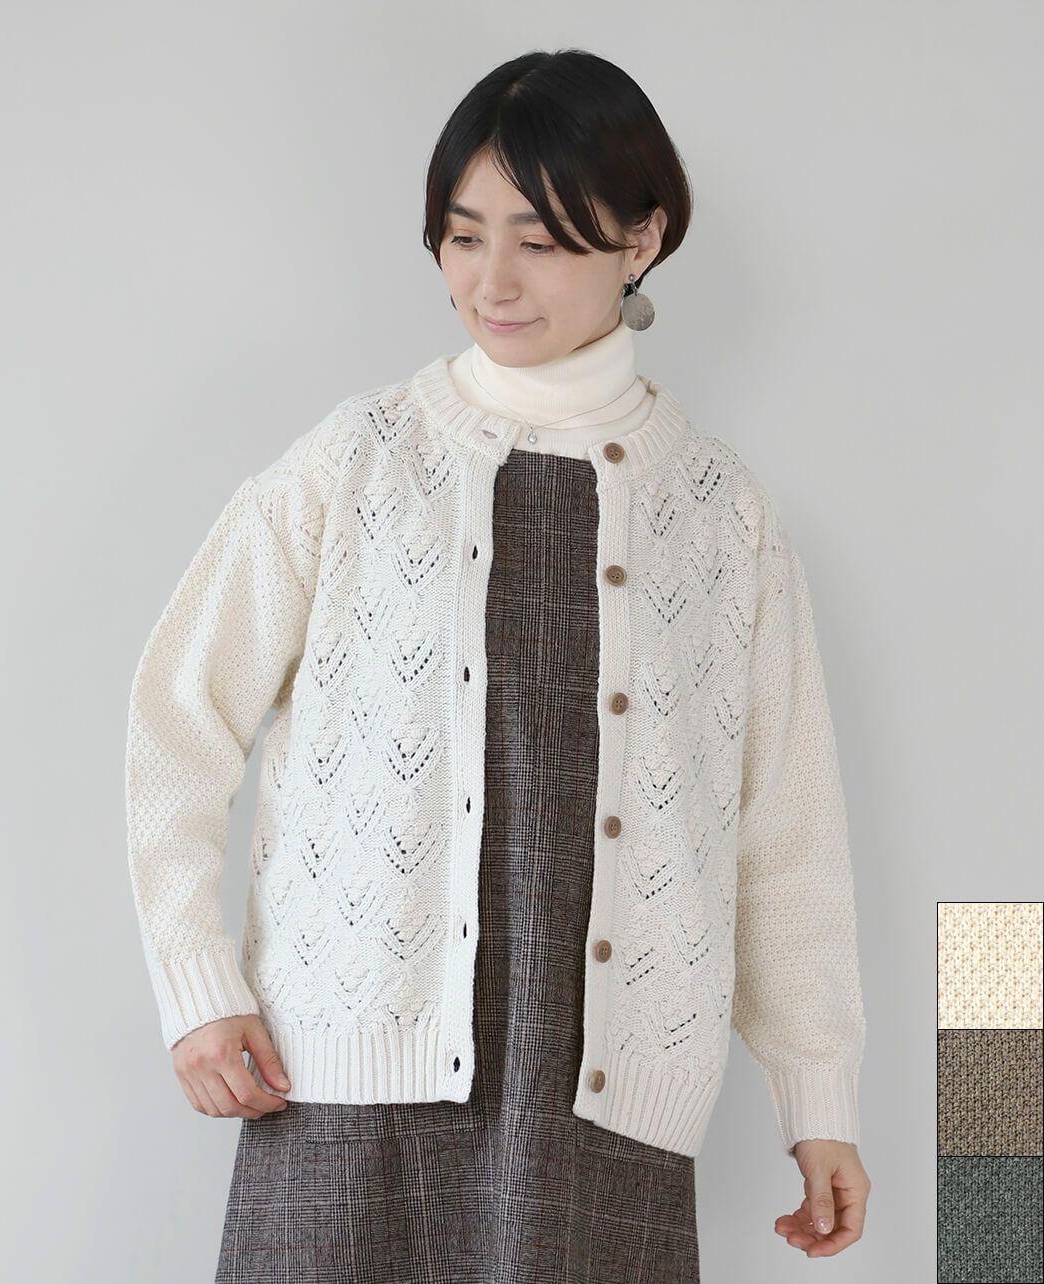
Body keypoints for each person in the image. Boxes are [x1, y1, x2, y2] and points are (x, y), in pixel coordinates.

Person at [125, 48, 870, 1282]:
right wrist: (196, 985)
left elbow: (784, 828)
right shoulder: (352, 463)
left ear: (640, 239)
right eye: (462, 237)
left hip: (603, 1109)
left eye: (541, 241)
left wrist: (818, 1095)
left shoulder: (720, 515)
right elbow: (176, 725)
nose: (491, 281)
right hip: (342, 1087)